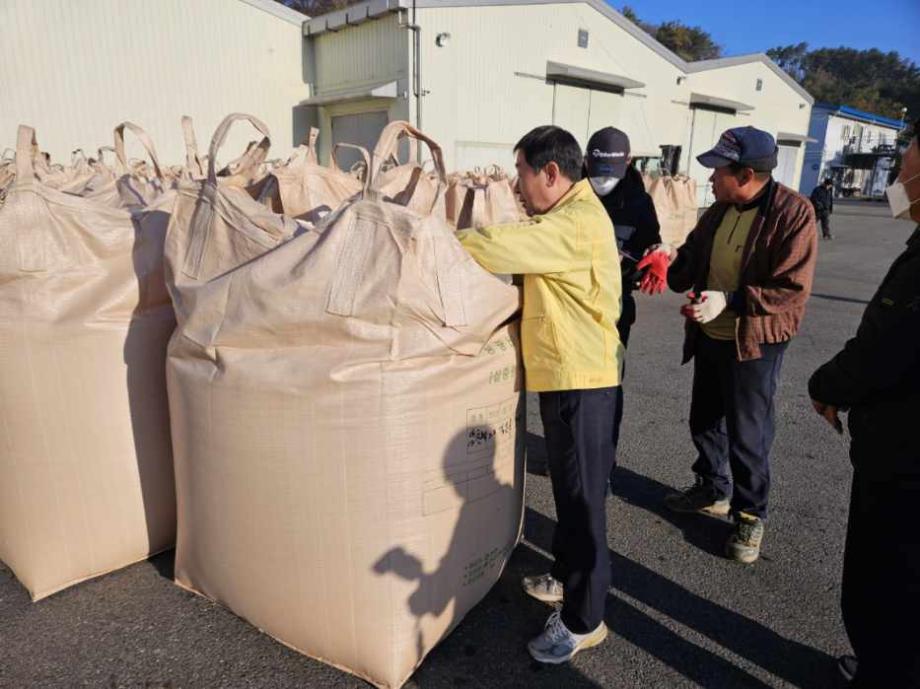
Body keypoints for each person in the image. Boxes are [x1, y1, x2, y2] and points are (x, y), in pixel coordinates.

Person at [456, 125, 623, 663]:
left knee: (582, 501)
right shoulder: (564, 216)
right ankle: (564, 574)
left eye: (523, 174)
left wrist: (433, 237)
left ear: (551, 173)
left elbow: (497, 246)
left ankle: (583, 619)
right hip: (568, 375)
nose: (517, 185)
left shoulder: (572, 224)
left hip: (582, 381)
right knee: (572, 492)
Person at [638, 126, 817, 563]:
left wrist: (731, 300)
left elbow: (791, 290)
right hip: (711, 336)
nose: (711, 179)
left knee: (748, 433)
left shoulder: (794, 213)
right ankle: (712, 488)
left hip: (755, 341)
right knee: (704, 419)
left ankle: (750, 515)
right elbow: (691, 261)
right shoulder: (718, 211)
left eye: (719, 171)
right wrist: (668, 258)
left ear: (747, 174)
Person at [808, 118, 920, 688]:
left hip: (904, 461)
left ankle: (883, 671)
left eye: (908, 159)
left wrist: (826, 386)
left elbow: (886, 346)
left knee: (889, 582)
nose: (900, 171)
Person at [584, 127, 661, 491]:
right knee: (568, 387)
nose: (601, 182)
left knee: (607, 388)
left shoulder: (638, 202)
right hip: (572, 304)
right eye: (595, 171)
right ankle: (571, 453)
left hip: (614, 307)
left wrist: (643, 258)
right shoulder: (575, 188)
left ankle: (603, 460)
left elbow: (651, 245)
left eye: (608, 174)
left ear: (627, 163)